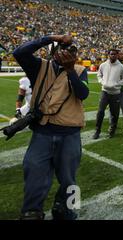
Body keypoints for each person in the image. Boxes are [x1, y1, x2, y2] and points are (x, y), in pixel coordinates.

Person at [12, 34, 89, 220]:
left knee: (70, 178)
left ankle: (68, 209)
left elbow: (83, 93)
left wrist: (70, 70)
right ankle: (31, 210)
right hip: (42, 132)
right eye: (63, 49)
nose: (68, 53)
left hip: (70, 132)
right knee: (33, 172)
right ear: (53, 51)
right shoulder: (40, 67)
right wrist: (49, 38)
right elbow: (19, 52)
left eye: (71, 51)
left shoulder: (79, 70)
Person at [94, 49, 123, 139]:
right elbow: (99, 75)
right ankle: (97, 130)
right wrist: (102, 82)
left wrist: (117, 84)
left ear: (117, 55)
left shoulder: (121, 67)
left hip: (116, 93)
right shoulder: (103, 65)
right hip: (104, 92)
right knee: (100, 112)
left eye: (114, 54)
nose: (112, 56)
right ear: (108, 55)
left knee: (114, 114)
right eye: (111, 54)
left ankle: (112, 130)